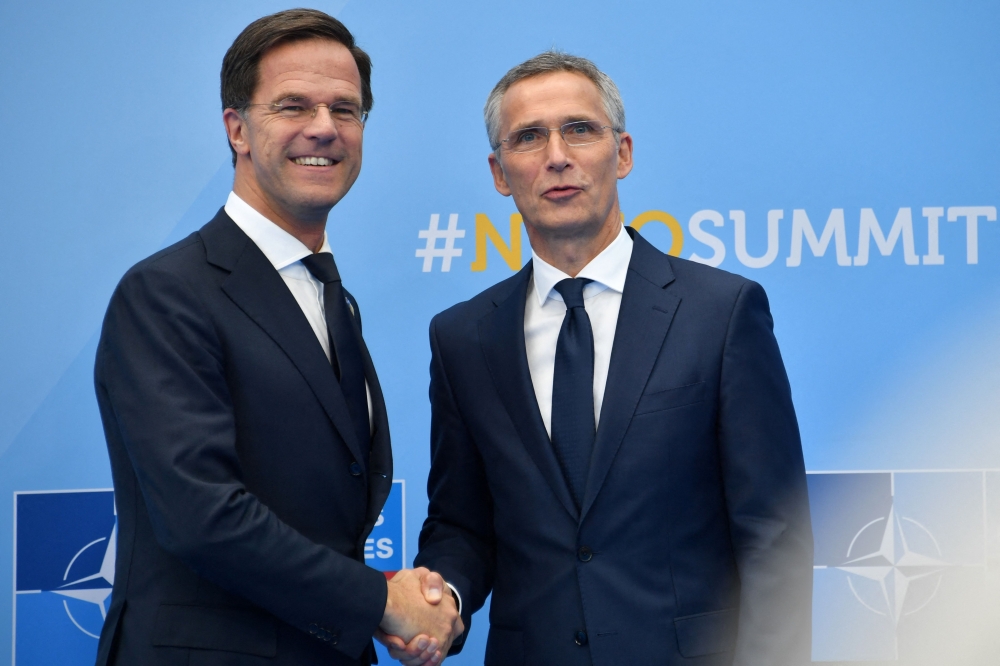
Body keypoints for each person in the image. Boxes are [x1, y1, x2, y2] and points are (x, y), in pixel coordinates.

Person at [390, 52, 813, 665]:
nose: (556, 155)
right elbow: (462, 522)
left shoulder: (720, 314)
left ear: (623, 153)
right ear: (500, 172)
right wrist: (443, 597)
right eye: (529, 138)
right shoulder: (462, 338)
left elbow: (774, 538)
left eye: (580, 129)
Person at [93, 9, 461, 666]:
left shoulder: (332, 296)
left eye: (345, 109)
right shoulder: (167, 293)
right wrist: (380, 602)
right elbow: (203, 517)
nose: (324, 127)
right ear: (237, 129)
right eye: (294, 106)